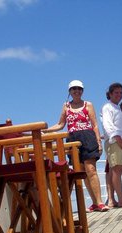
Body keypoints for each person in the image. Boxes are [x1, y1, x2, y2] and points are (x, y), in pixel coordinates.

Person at [45, 80, 108, 212]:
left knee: (91, 169)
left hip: (88, 137)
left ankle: (100, 202)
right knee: (82, 172)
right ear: (69, 91)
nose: (77, 91)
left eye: (79, 89)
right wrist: (46, 131)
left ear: (82, 91)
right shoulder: (66, 106)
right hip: (72, 139)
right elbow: (60, 124)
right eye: (74, 89)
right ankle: (95, 203)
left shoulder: (88, 104)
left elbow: (94, 124)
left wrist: (98, 142)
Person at [101, 83, 122, 207]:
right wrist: (117, 138)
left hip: (120, 141)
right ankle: (121, 200)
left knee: (114, 170)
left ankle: (114, 200)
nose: (119, 95)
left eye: (121, 92)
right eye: (116, 92)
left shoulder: (117, 108)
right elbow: (107, 124)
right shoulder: (108, 107)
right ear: (110, 94)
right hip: (115, 141)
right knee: (117, 170)